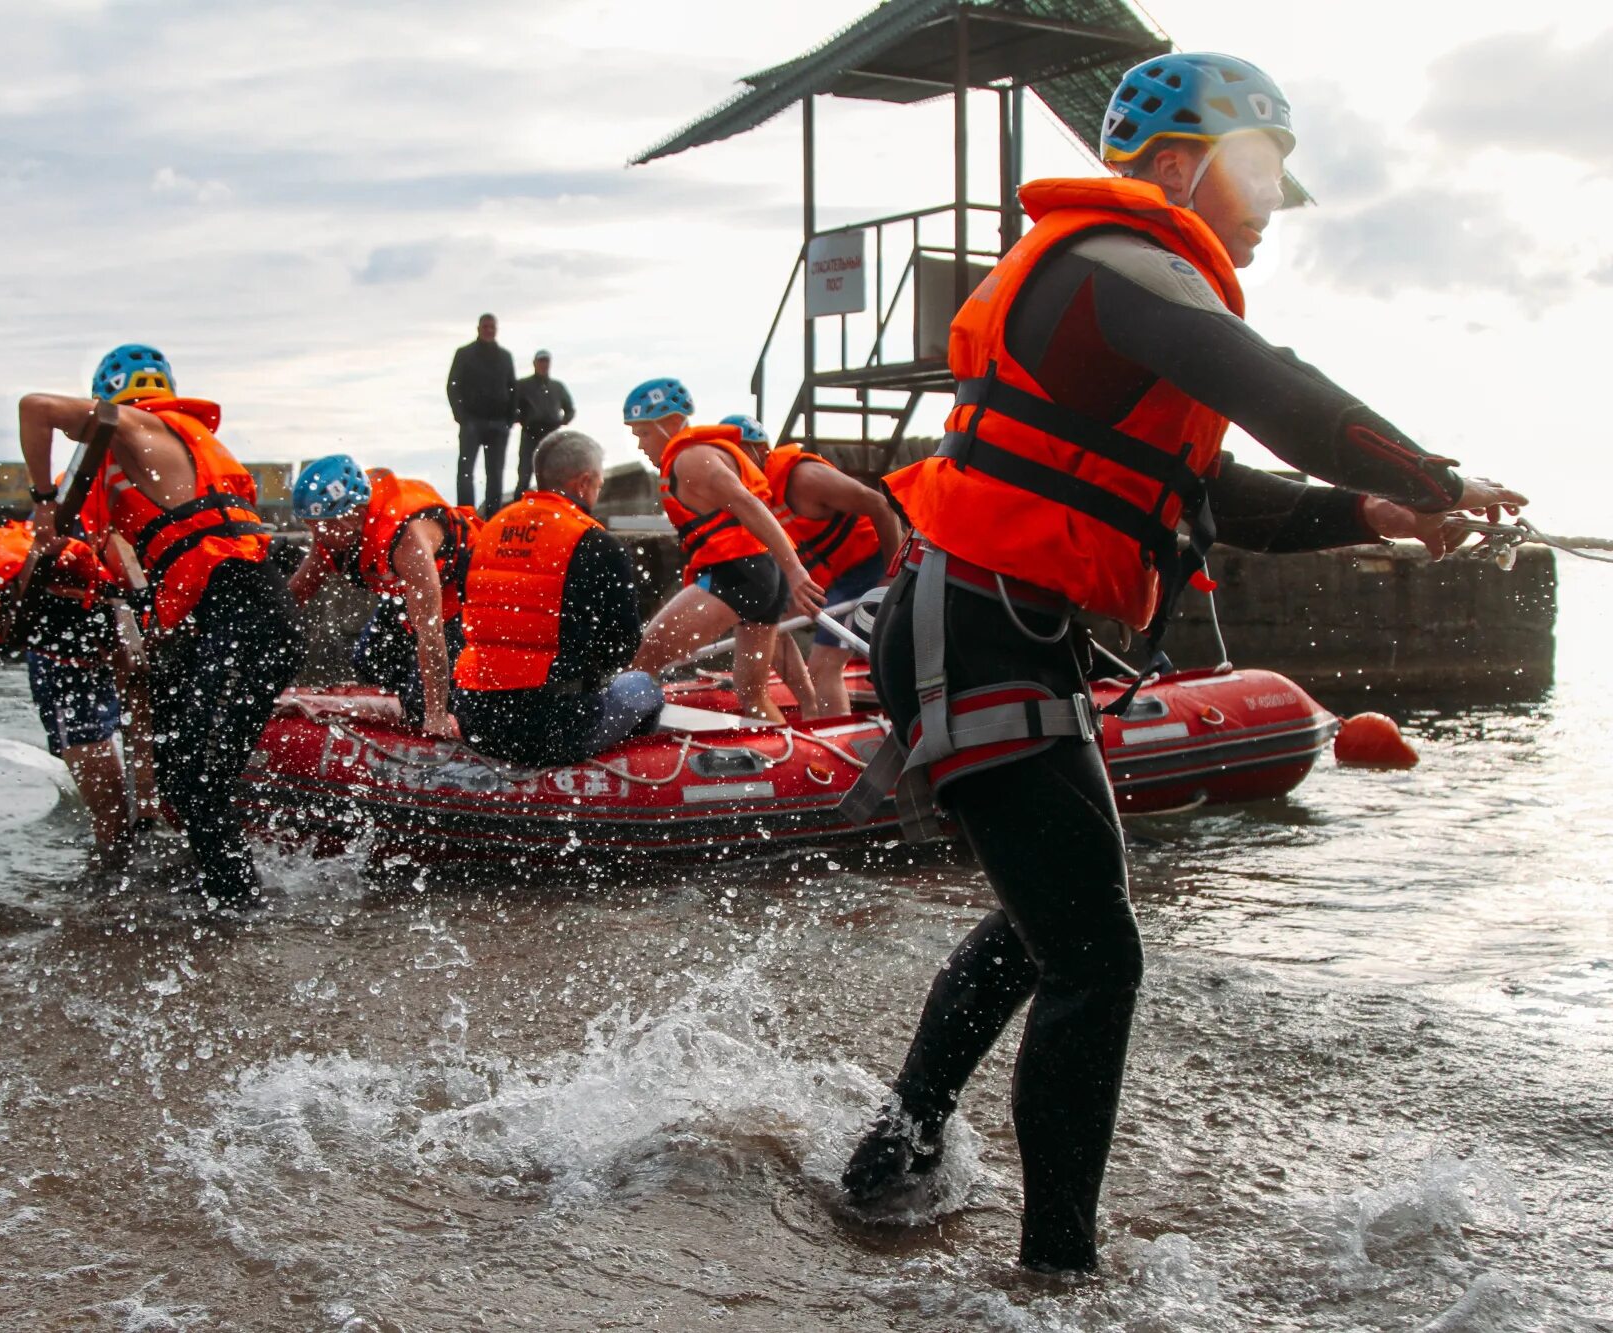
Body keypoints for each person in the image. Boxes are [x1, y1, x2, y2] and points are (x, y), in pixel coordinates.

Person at [838, 53, 1528, 1273]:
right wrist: (1429, 475)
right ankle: (1055, 1274)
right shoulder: (1114, 266)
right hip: (973, 626)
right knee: (1095, 959)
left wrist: (1376, 513)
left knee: (1041, 926)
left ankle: (890, 1157)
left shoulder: (1127, 293)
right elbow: (1277, 394)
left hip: (994, 629)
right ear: (1174, 166)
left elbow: (1202, 487)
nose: (1270, 203)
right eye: (1257, 168)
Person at [16, 344, 303, 909]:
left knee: (198, 782)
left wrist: (43, 501)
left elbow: (34, 407)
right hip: (218, 619)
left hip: (247, 611)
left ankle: (238, 910)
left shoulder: (134, 422)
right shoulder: (142, 466)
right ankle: (219, 886)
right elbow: (137, 574)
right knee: (177, 774)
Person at [0, 512, 160, 874]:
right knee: (112, 811)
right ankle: (110, 877)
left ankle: (131, 857)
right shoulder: (73, 522)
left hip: (110, 615)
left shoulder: (123, 516)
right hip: (65, 645)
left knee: (146, 798)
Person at [452, 428, 661, 766]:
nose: (597, 491)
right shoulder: (598, 544)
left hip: (476, 717)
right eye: (598, 485)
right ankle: (623, 783)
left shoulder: (487, 533)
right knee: (643, 686)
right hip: (553, 728)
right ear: (584, 482)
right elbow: (622, 645)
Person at [623, 378, 825, 723]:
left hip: (736, 576)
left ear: (671, 423)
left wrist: (794, 570)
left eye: (643, 433)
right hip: (760, 578)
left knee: (641, 664)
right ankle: (783, 751)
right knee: (752, 693)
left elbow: (747, 504)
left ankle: (625, 753)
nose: (640, 445)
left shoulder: (691, 459)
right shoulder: (697, 455)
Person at [722, 413, 904, 717]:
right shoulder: (749, 499)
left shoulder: (806, 479)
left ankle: (834, 743)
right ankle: (810, 709)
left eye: (737, 459)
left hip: (867, 569)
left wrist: (892, 575)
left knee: (823, 667)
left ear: (761, 452)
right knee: (769, 625)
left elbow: (881, 507)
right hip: (826, 579)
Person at [288, 457, 481, 736]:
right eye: (311, 527)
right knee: (369, 658)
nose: (318, 537)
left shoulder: (408, 541)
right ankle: (409, 702)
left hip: (463, 589)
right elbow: (292, 598)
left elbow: (430, 633)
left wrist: (435, 714)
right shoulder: (333, 534)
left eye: (323, 527)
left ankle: (441, 712)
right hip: (404, 591)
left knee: (426, 698)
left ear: (354, 516)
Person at [446, 313, 518, 517]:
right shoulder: (464, 353)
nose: (488, 330)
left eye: (492, 327)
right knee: (466, 471)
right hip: (472, 422)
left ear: (496, 329)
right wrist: (460, 415)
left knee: (495, 474)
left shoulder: (505, 356)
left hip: (498, 423)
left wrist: (510, 419)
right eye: (485, 326)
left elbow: (513, 387)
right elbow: (453, 385)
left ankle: (493, 517)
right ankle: (466, 516)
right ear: (478, 328)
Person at [513, 349, 576, 500]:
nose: (544, 364)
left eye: (546, 361)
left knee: (553, 475)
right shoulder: (523, 385)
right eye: (541, 361)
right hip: (530, 434)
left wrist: (562, 421)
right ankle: (518, 508)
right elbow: (512, 407)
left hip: (552, 436)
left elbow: (570, 409)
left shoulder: (557, 387)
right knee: (524, 475)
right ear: (534, 363)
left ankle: (553, 509)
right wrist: (524, 420)